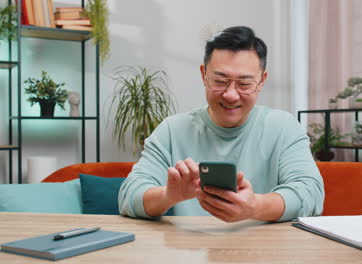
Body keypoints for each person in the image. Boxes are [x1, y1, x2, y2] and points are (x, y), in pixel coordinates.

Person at [118, 26, 324, 222]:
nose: (231, 95)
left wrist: (255, 206)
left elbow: (311, 194)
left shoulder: (283, 127)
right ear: (203, 75)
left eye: (244, 84)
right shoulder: (172, 130)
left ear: (262, 81)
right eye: (219, 81)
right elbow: (128, 196)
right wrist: (168, 196)